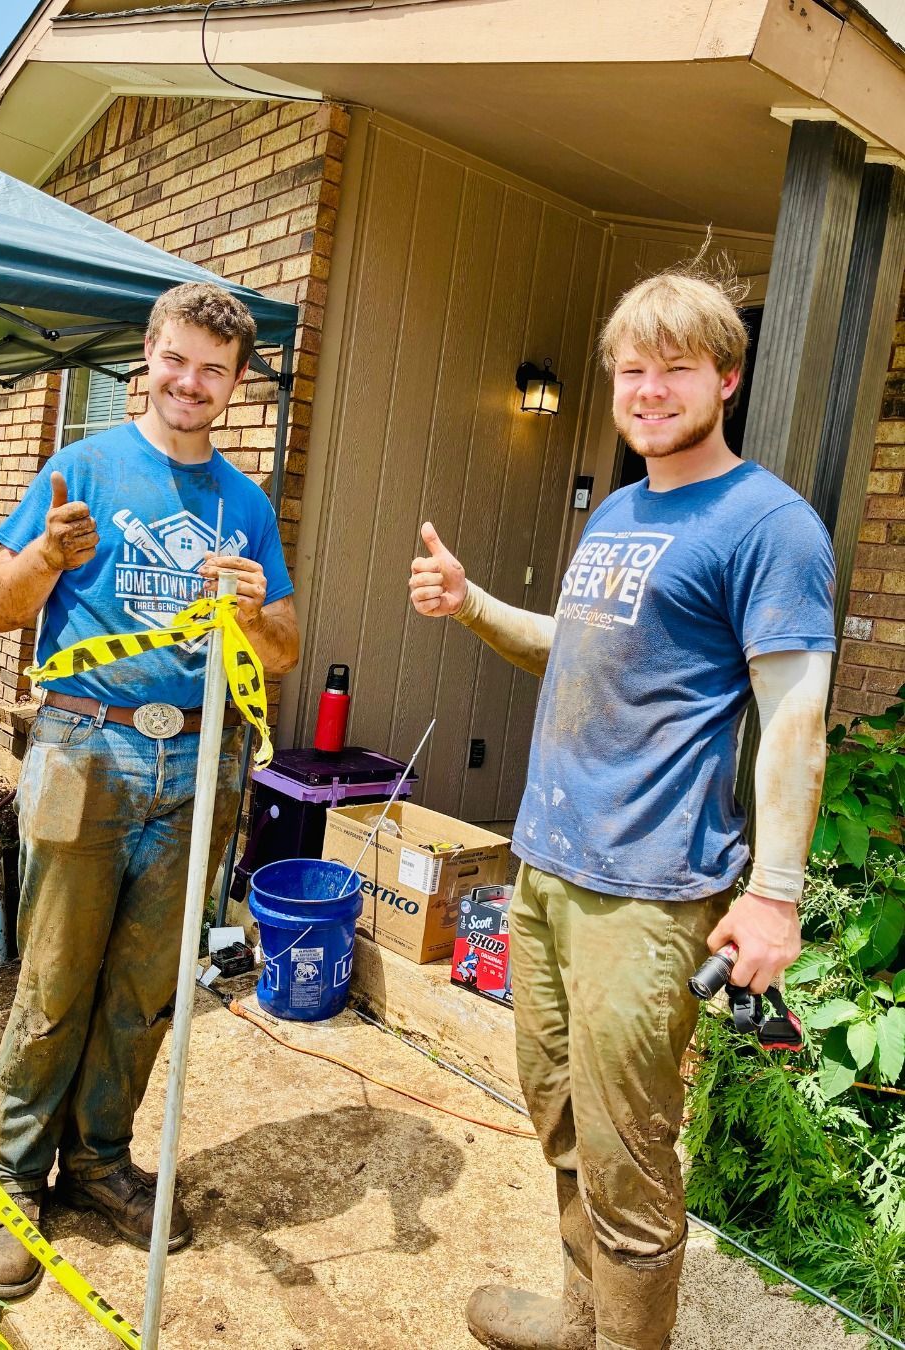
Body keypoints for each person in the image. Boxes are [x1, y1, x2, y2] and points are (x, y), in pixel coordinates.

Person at [409, 262, 836, 1350]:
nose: (648, 389)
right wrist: (472, 608)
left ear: (725, 377)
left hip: (644, 896)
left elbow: (794, 713)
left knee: (631, 1161)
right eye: (630, 370)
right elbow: (579, 645)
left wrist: (774, 897)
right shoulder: (624, 513)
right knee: (562, 1125)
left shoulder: (767, 525)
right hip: (550, 869)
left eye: (675, 368)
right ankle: (581, 1319)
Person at [0, 281, 299, 1299]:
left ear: (236, 384)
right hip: (85, 746)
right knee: (57, 976)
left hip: (201, 763)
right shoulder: (82, 468)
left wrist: (254, 613)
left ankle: (101, 1164)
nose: (191, 382)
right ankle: (16, 1179)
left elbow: (284, 650)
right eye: (176, 359)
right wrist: (41, 558)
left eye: (214, 369)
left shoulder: (244, 507)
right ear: (146, 358)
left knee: (144, 989)